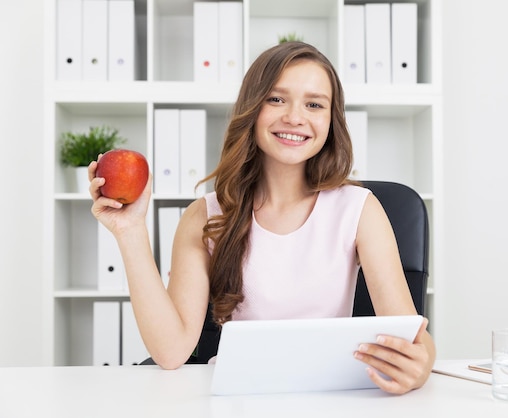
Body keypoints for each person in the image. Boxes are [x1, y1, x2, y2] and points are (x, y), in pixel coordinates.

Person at [89, 41, 435, 394]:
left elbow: (413, 336)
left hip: (331, 395)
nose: (294, 117)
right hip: (242, 395)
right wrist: (130, 231)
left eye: (314, 104)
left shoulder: (360, 208)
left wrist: (420, 365)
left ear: (331, 121)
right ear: (252, 109)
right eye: (276, 99)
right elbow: (171, 351)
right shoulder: (206, 216)